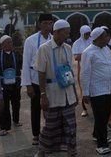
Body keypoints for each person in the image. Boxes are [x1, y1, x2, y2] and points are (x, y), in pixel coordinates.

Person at [34, 19, 78, 157]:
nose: (67, 36)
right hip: (52, 93)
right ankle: (42, 150)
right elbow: (41, 73)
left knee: (71, 126)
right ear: (56, 32)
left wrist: (75, 93)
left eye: (68, 33)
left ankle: (71, 151)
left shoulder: (68, 48)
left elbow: (69, 71)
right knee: (50, 126)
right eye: (65, 33)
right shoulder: (44, 49)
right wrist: (42, 95)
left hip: (67, 92)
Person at [81, 27, 111, 155]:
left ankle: (97, 134)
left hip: (109, 88)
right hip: (97, 90)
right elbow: (84, 73)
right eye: (104, 37)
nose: (107, 38)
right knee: (101, 117)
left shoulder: (107, 49)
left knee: (105, 116)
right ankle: (102, 144)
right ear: (97, 39)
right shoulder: (88, 52)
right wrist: (85, 92)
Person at [22, 13, 53, 145]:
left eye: (49, 23)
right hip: (35, 80)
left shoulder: (54, 39)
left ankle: (50, 132)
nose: (47, 26)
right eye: (44, 23)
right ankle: (36, 134)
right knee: (36, 108)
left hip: (51, 80)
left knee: (52, 108)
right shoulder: (31, 40)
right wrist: (27, 84)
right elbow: (25, 62)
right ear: (39, 25)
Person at [0, 35, 23, 136]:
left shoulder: (17, 54)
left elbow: (22, 65)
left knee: (16, 103)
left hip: (16, 84)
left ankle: (16, 120)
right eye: (8, 42)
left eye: (11, 42)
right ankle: (4, 127)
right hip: (3, 85)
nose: (11, 44)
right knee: (3, 106)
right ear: (2, 45)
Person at [71, 25, 92, 117]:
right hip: (82, 67)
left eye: (89, 33)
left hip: (92, 67)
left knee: (92, 87)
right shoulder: (77, 43)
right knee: (82, 87)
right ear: (82, 33)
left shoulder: (92, 41)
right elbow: (76, 57)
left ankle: (93, 106)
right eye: (86, 34)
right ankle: (84, 109)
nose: (88, 35)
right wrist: (87, 54)